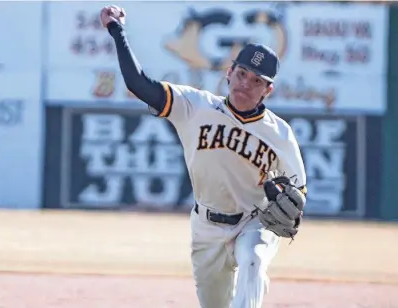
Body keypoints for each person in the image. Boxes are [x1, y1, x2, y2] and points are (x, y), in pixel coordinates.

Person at [100, 5, 307, 308]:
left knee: (253, 260)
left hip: (254, 221)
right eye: (242, 73)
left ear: (268, 90)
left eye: (257, 80)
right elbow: (138, 84)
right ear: (229, 72)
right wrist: (117, 31)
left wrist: (294, 205)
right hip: (207, 226)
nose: (246, 84)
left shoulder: (280, 133)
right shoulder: (194, 106)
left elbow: (298, 189)